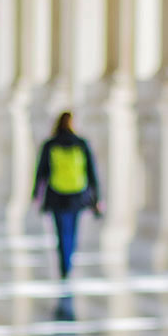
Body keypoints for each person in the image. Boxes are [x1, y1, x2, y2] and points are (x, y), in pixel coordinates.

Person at [32, 112, 102, 280]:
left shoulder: (50, 144)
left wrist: (36, 194)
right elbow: (91, 173)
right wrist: (97, 197)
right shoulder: (81, 144)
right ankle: (69, 262)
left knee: (61, 231)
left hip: (56, 194)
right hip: (76, 195)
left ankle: (63, 263)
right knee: (73, 230)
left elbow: (41, 172)